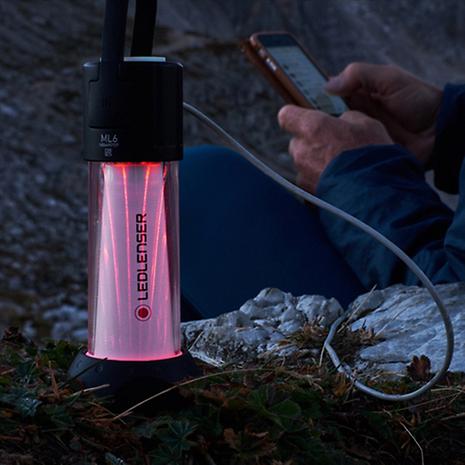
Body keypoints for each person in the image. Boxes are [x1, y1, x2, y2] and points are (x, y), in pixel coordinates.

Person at [180, 63, 465, 320]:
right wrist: (447, 123)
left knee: (194, 185)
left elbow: (453, 300)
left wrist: (359, 172)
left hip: (425, 314)